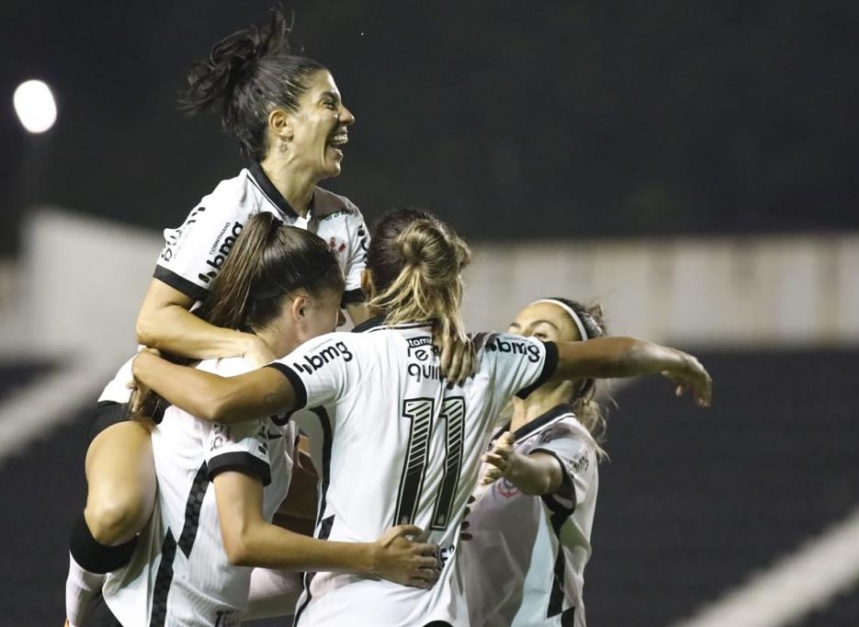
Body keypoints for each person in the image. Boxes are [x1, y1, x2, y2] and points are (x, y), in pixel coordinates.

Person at [130, 207, 712, 627]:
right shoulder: (489, 357)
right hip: (437, 613)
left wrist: (145, 365)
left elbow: (220, 401)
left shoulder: (341, 355)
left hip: (346, 611)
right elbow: (605, 354)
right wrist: (673, 359)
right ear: (451, 286)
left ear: (366, 283)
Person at [66, 9, 372, 626]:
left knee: (353, 536)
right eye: (330, 104)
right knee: (117, 511)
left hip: (252, 418)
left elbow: (362, 344)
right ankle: (78, 601)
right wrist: (249, 351)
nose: (347, 117)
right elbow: (154, 324)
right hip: (158, 403)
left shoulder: (346, 223)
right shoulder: (227, 209)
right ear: (281, 125)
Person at [85, 213, 440, 627]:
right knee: (113, 513)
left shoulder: (266, 388)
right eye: (334, 314)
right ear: (301, 310)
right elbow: (245, 540)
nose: (341, 327)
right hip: (151, 620)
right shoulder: (241, 381)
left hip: (173, 616)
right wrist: (373, 559)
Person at [459, 297, 612, 627]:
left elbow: (543, 475)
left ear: (576, 365)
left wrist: (515, 466)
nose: (521, 344)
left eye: (541, 336)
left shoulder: (569, 439)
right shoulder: (480, 441)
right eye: (516, 333)